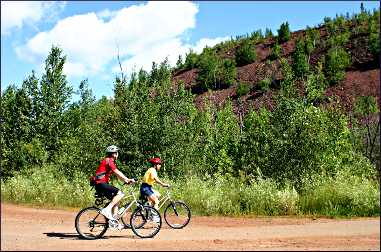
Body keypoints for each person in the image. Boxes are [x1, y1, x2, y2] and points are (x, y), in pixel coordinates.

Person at [93, 145, 135, 223]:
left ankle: (114, 220)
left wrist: (125, 181)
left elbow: (117, 175)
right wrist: (127, 179)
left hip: (101, 184)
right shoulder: (109, 160)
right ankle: (107, 210)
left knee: (115, 199)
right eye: (117, 152)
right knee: (120, 194)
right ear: (114, 154)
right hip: (100, 183)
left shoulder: (108, 160)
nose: (117, 154)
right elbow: (117, 172)